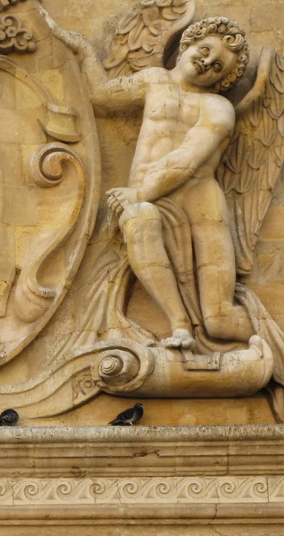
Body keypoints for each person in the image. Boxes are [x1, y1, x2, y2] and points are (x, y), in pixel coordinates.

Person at [95, 18, 254, 350]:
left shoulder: (218, 107)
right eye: (205, 50)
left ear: (222, 79)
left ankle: (269, 342)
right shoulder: (154, 79)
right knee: (138, 218)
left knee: (219, 319)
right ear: (187, 44)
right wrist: (79, 49)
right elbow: (99, 97)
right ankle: (179, 326)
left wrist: (138, 192)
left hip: (199, 206)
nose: (207, 62)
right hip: (149, 200)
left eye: (217, 66)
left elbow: (187, 159)